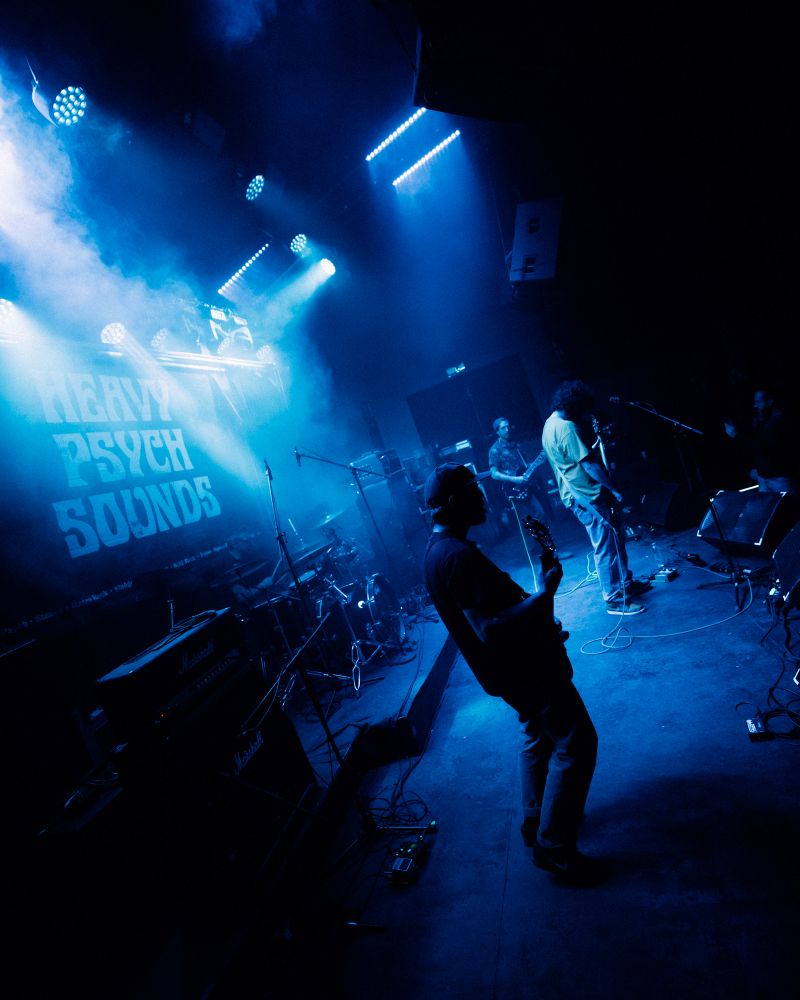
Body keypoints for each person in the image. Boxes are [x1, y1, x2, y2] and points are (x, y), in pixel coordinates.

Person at [423, 463, 602, 885]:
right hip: (524, 669)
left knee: (538, 736)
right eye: (474, 490)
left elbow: (492, 611)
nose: (483, 497)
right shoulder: (457, 557)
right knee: (577, 742)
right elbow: (490, 628)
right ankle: (553, 846)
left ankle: (536, 820)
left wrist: (535, 605)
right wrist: (545, 593)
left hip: (506, 671)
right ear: (454, 502)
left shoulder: (438, 551)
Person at [541, 379, 651, 616]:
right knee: (605, 547)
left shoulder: (549, 424)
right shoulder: (566, 428)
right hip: (588, 497)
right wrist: (614, 489)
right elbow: (589, 465)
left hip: (578, 496)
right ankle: (613, 599)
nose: (584, 415)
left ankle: (625, 584)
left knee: (615, 539)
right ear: (575, 405)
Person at [724, 386, 797, 496]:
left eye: (758, 402)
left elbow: (762, 446)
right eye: (755, 402)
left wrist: (735, 435)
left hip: (778, 479)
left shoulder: (779, 422)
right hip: (764, 477)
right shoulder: (763, 420)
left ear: (770, 401)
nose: (755, 406)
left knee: (786, 505)